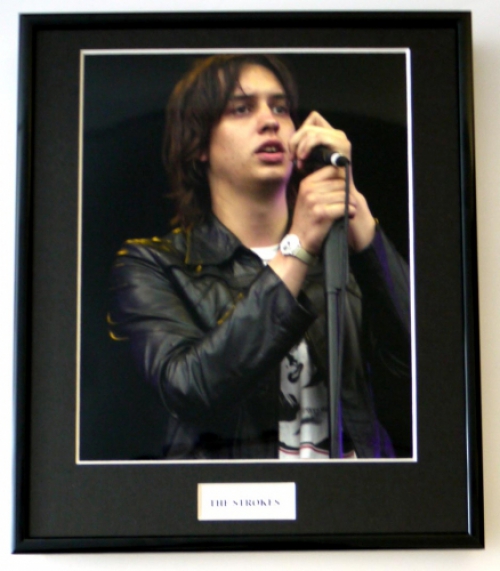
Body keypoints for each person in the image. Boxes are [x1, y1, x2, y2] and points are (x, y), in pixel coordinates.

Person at [108, 54, 411, 461]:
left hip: (353, 497)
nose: (269, 121)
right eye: (241, 108)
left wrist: (356, 212)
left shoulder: (343, 256)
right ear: (199, 143)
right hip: (235, 499)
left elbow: (426, 368)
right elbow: (190, 387)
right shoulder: (153, 265)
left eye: (280, 108)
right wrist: (298, 245)